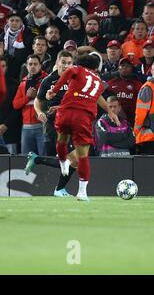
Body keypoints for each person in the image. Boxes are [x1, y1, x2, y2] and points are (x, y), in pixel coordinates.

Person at [45, 54, 120, 201]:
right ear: (96, 67)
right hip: (83, 116)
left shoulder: (78, 70)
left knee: (62, 139)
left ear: (80, 63)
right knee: (83, 155)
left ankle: (63, 162)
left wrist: (55, 89)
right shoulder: (98, 81)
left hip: (66, 111)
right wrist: (110, 111)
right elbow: (97, 96)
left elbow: (69, 72)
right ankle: (82, 192)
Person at [25, 51, 80, 197]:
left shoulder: (76, 79)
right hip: (54, 123)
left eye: (69, 63)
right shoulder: (49, 80)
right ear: (57, 62)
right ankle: (59, 189)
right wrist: (39, 112)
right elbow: (38, 100)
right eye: (63, 62)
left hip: (71, 122)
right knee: (71, 158)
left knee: (75, 159)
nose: (66, 65)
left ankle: (38, 161)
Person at [13, 54, 48, 155]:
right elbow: (15, 104)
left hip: (42, 126)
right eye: (30, 64)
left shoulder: (47, 80)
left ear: (40, 65)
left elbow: (51, 99)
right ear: (27, 66)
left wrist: (36, 94)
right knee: (26, 160)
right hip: (26, 127)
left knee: (43, 158)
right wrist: (27, 97)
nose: (33, 66)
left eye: (35, 64)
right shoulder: (23, 82)